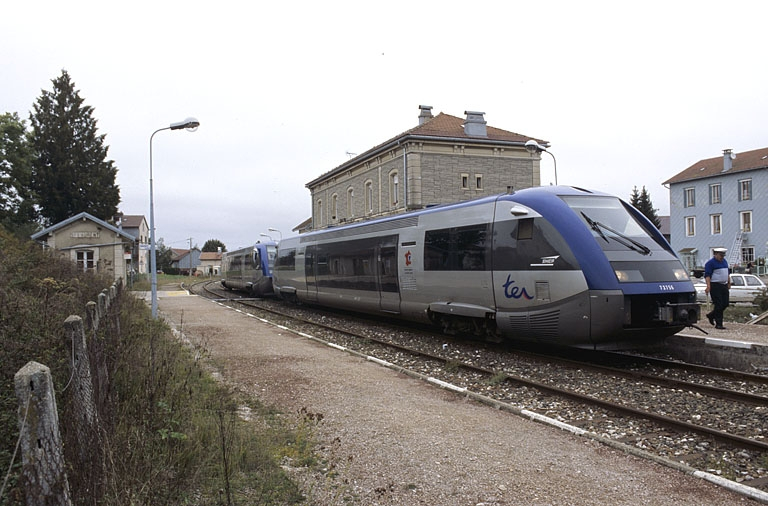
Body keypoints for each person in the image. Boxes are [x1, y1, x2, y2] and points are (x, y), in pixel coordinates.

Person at [704, 247, 730, 330]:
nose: (722, 257)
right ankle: (719, 324)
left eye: (723, 255)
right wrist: (708, 286)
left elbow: (727, 273)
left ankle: (711, 315)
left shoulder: (724, 262)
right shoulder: (710, 263)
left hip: (724, 285)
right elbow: (707, 275)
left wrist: (729, 282)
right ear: (715, 254)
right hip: (715, 285)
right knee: (718, 304)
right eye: (720, 255)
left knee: (725, 303)